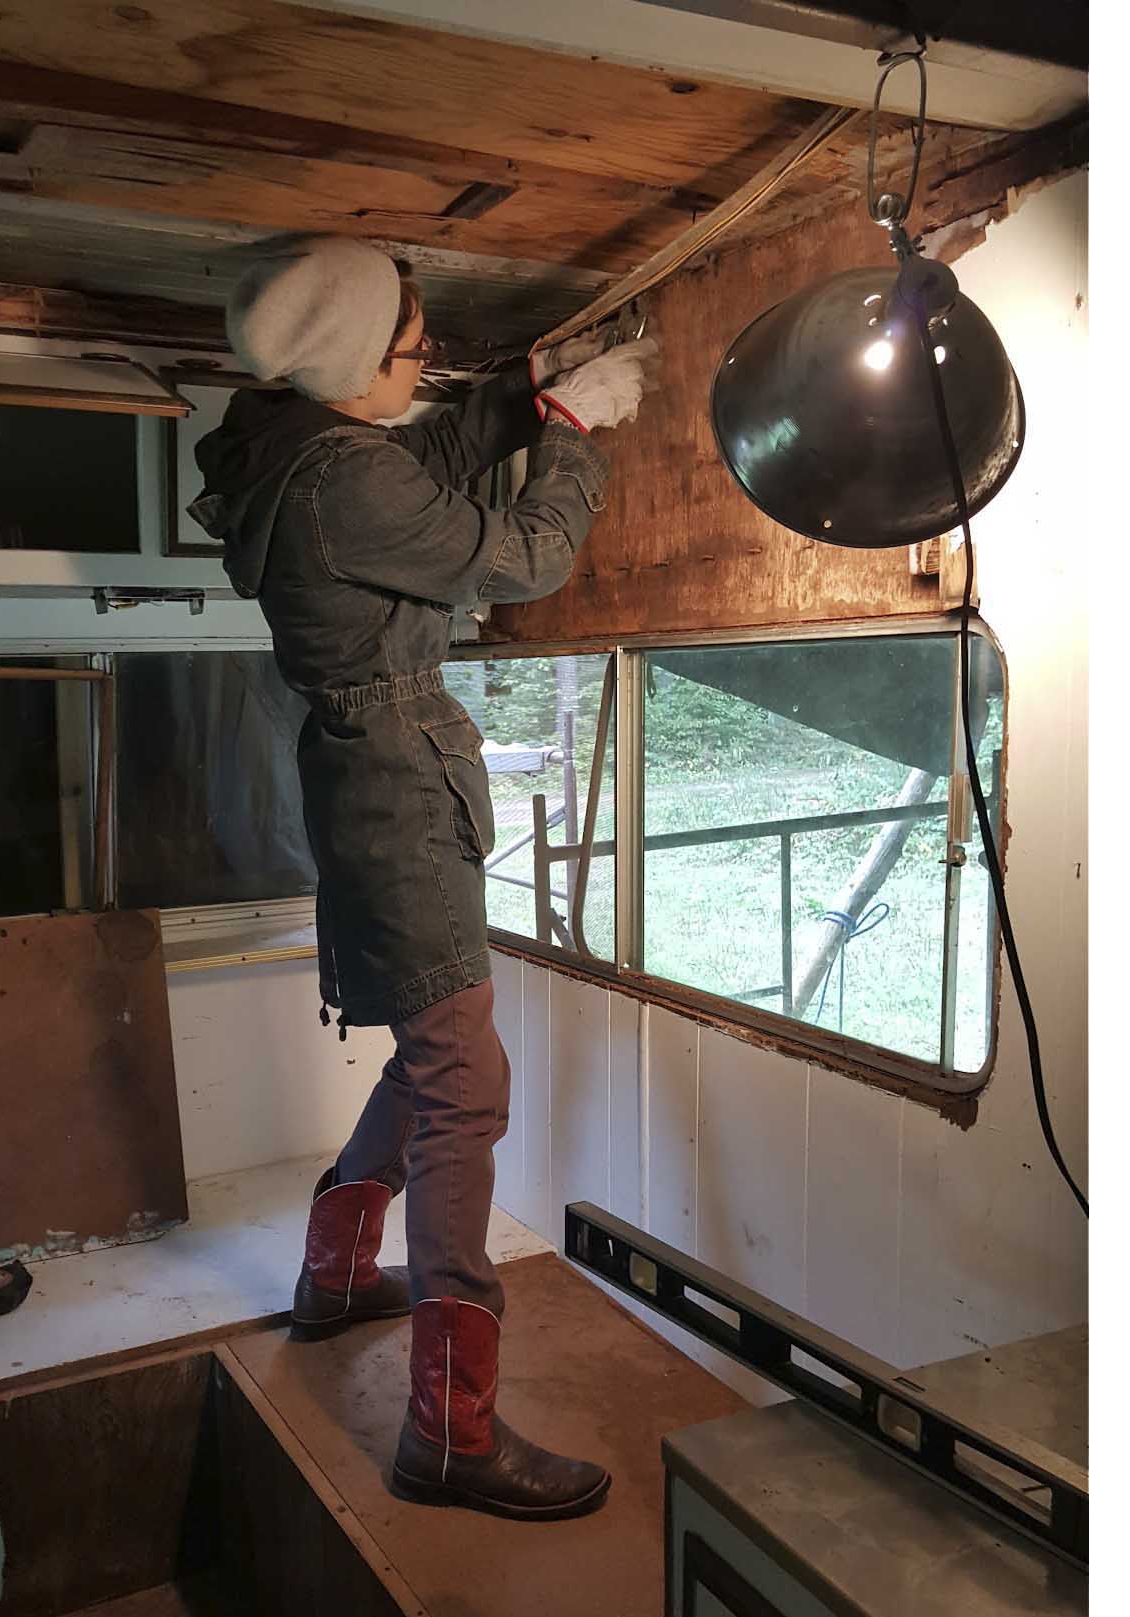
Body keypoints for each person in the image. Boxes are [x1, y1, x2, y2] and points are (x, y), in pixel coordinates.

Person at [189, 234, 656, 1521]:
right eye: (411, 349)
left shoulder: (296, 444)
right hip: (395, 784)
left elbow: (422, 464)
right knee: (466, 1080)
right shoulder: (342, 483)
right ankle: (451, 1431)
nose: (425, 363)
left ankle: (338, 1278)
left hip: (376, 777)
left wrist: (523, 391)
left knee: (435, 1048)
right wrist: (567, 434)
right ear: (349, 369)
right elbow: (521, 559)